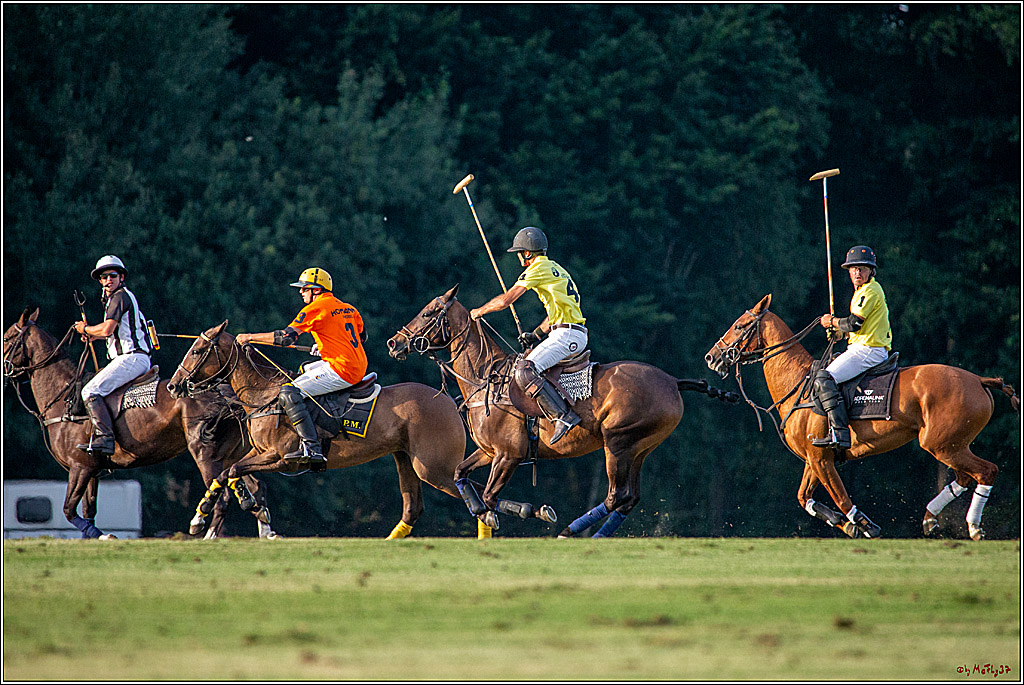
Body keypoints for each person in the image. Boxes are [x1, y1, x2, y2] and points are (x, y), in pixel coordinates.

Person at [236, 267, 367, 464]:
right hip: (357, 364)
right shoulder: (348, 308)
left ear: (316, 290)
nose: (300, 292)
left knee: (289, 392)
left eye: (304, 288)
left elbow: (285, 338)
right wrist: (325, 345)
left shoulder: (315, 308)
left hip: (342, 369)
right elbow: (361, 337)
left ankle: (311, 448)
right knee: (304, 369)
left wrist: (249, 337)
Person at [470, 226, 586, 445]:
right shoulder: (556, 268)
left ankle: (563, 416)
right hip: (568, 331)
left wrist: (479, 311)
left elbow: (506, 300)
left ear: (527, 253)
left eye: (519, 253)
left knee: (524, 370)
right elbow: (557, 312)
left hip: (567, 335)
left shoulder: (537, 268)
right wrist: (536, 334)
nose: (519, 257)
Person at [813, 245, 893, 449]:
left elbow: (854, 323)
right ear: (849, 271)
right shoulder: (862, 291)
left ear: (871, 271)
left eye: (862, 268)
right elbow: (862, 327)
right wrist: (842, 334)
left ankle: (839, 433)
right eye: (854, 268)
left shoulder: (870, 290)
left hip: (868, 350)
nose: (858, 272)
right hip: (863, 346)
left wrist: (831, 322)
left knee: (824, 378)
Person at [73, 255, 153, 456]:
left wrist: (86, 329)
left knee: (89, 391)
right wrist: (94, 336)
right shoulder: (117, 298)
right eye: (104, 277)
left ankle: (105, 439)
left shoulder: (119, 297)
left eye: (113, 275)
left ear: (121, 277)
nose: (108, 280)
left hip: (131, 358)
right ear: (100, 281)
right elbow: (113, 332)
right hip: (133, 358)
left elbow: (107, 329)